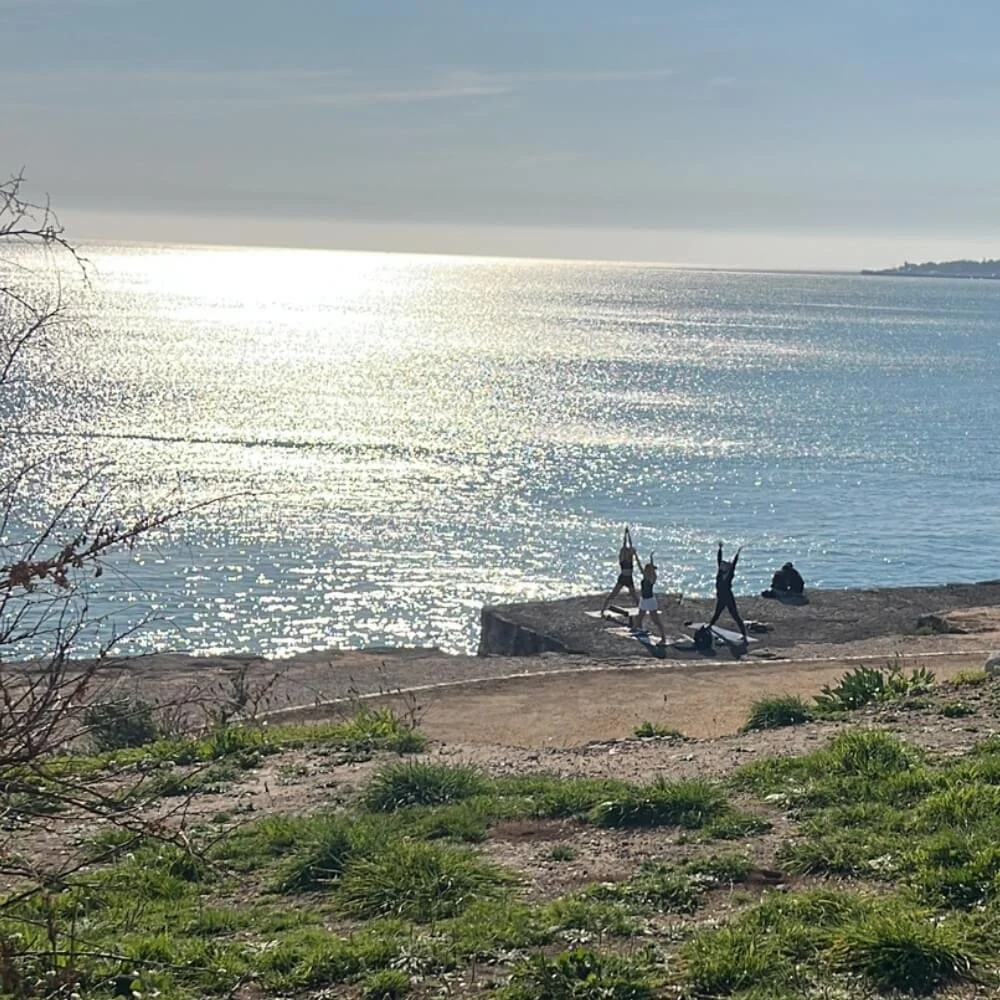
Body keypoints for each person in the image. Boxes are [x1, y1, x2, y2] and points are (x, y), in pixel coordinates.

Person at [708, 541, 748, 644]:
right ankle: (710, 626)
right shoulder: (720, 573)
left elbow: (734, 565)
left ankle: (744, 634)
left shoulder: (729, 575)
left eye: (724, 566)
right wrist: (720, 549)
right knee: (717, 613)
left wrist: (737, 554)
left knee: (735, 615)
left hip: (728, 597)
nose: (721, 566)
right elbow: (719, 560)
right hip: (721, 597)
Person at [601, 526, 640, 612]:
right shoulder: (622, 559)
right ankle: (603, 609)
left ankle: (641, 609)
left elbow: (630, 544)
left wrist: (628, 534)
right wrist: (625, 535)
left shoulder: (630, 558)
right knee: (613, 594)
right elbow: (624, 544)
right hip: (623, 578)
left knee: (634, 596)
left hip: (629, 578)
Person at [634, 554, 667, 646]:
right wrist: (636, 556)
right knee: (640, 616)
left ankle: (663, 637)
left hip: (650, 601)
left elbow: (652, 574)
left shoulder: (652, 579)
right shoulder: (644, 577)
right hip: (644, 600)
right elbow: (639, 565)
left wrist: (651, 560)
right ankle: (636, 628)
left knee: (655, 620)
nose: (644, 570)